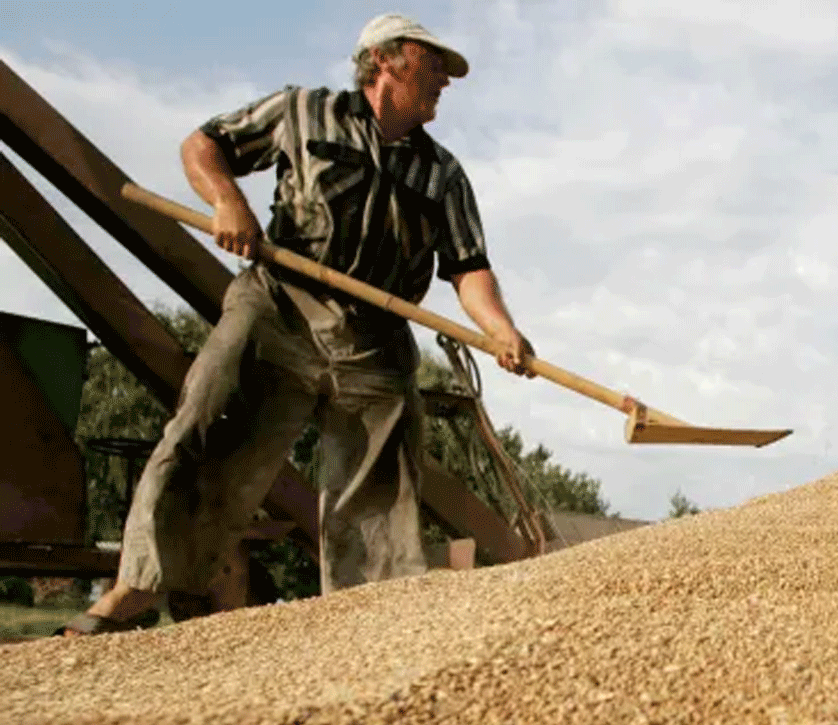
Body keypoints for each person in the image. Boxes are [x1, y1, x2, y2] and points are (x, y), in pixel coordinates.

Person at [58, 13, 535, 636]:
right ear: (386, 61)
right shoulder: (301, 112)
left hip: (375, 336)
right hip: (279, 306)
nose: (445, 79)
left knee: (380, 486)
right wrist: (227, 200)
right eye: (434, 65)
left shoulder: (442, 174)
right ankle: (135, 591)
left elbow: (469, 268)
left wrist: (501, 329)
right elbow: (202, 146)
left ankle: (368, 622)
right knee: (206, 431)